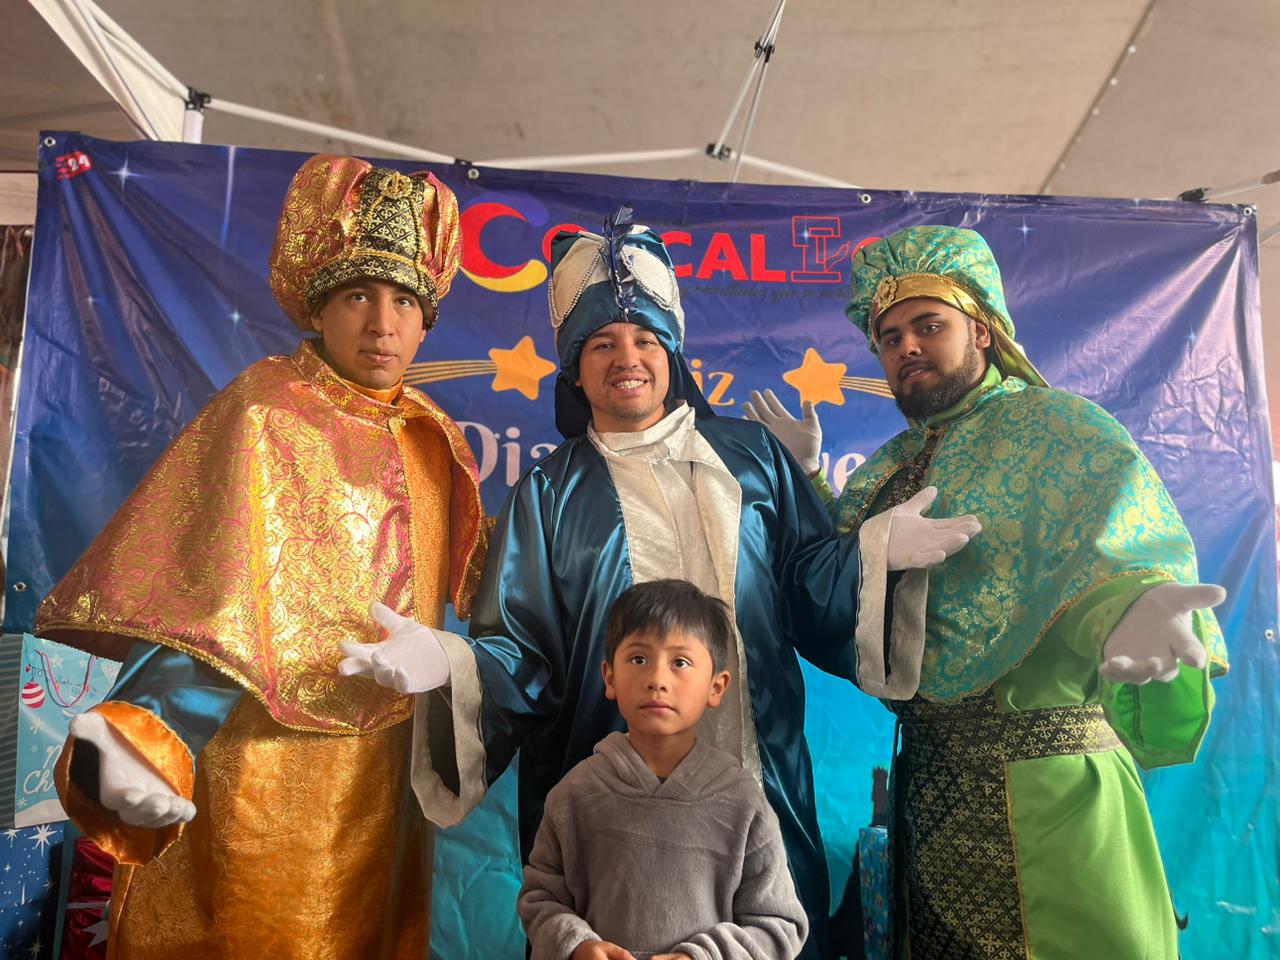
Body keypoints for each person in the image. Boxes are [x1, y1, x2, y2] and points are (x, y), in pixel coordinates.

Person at [342, 208, 980, 958]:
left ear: (672, 352)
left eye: (645, 339)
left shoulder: (753, 458)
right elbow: (523, 648)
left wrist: (874, 554)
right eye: (602, 344)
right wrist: (451, 664)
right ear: (574, 368)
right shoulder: (547, 496)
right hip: (611, 810)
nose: (628, 358)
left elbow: (808, 584)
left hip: (758, 778)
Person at [39, 154, 486, 960]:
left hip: (386, 774)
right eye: (358, 296)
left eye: (403, 301)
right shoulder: (266, 410)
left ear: (427, 321)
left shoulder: (432, 440)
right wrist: (143, 737)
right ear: (319, 306)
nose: (382, 324)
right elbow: (204, 604)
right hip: (264, 770)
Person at [746, 224, 1229, 959]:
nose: (907, 347)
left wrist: (1131, 613)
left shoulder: (1064, 431)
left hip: (1053, 798)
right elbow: (835, 584)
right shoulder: (889, 468)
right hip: (930, 796)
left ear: (982, 328)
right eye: (889, 337)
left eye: (928, 325)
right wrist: (808, 481)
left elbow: (1120, 556)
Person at [518, 578, 809, 960]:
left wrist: (703, 956)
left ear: (716, 687)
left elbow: (779, 925)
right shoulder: (575, 795)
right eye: (639, 659)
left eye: (680, 662)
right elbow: (540, 899)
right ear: (610, 677)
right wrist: (576, 945)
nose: (657, 680)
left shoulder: (743, 803)